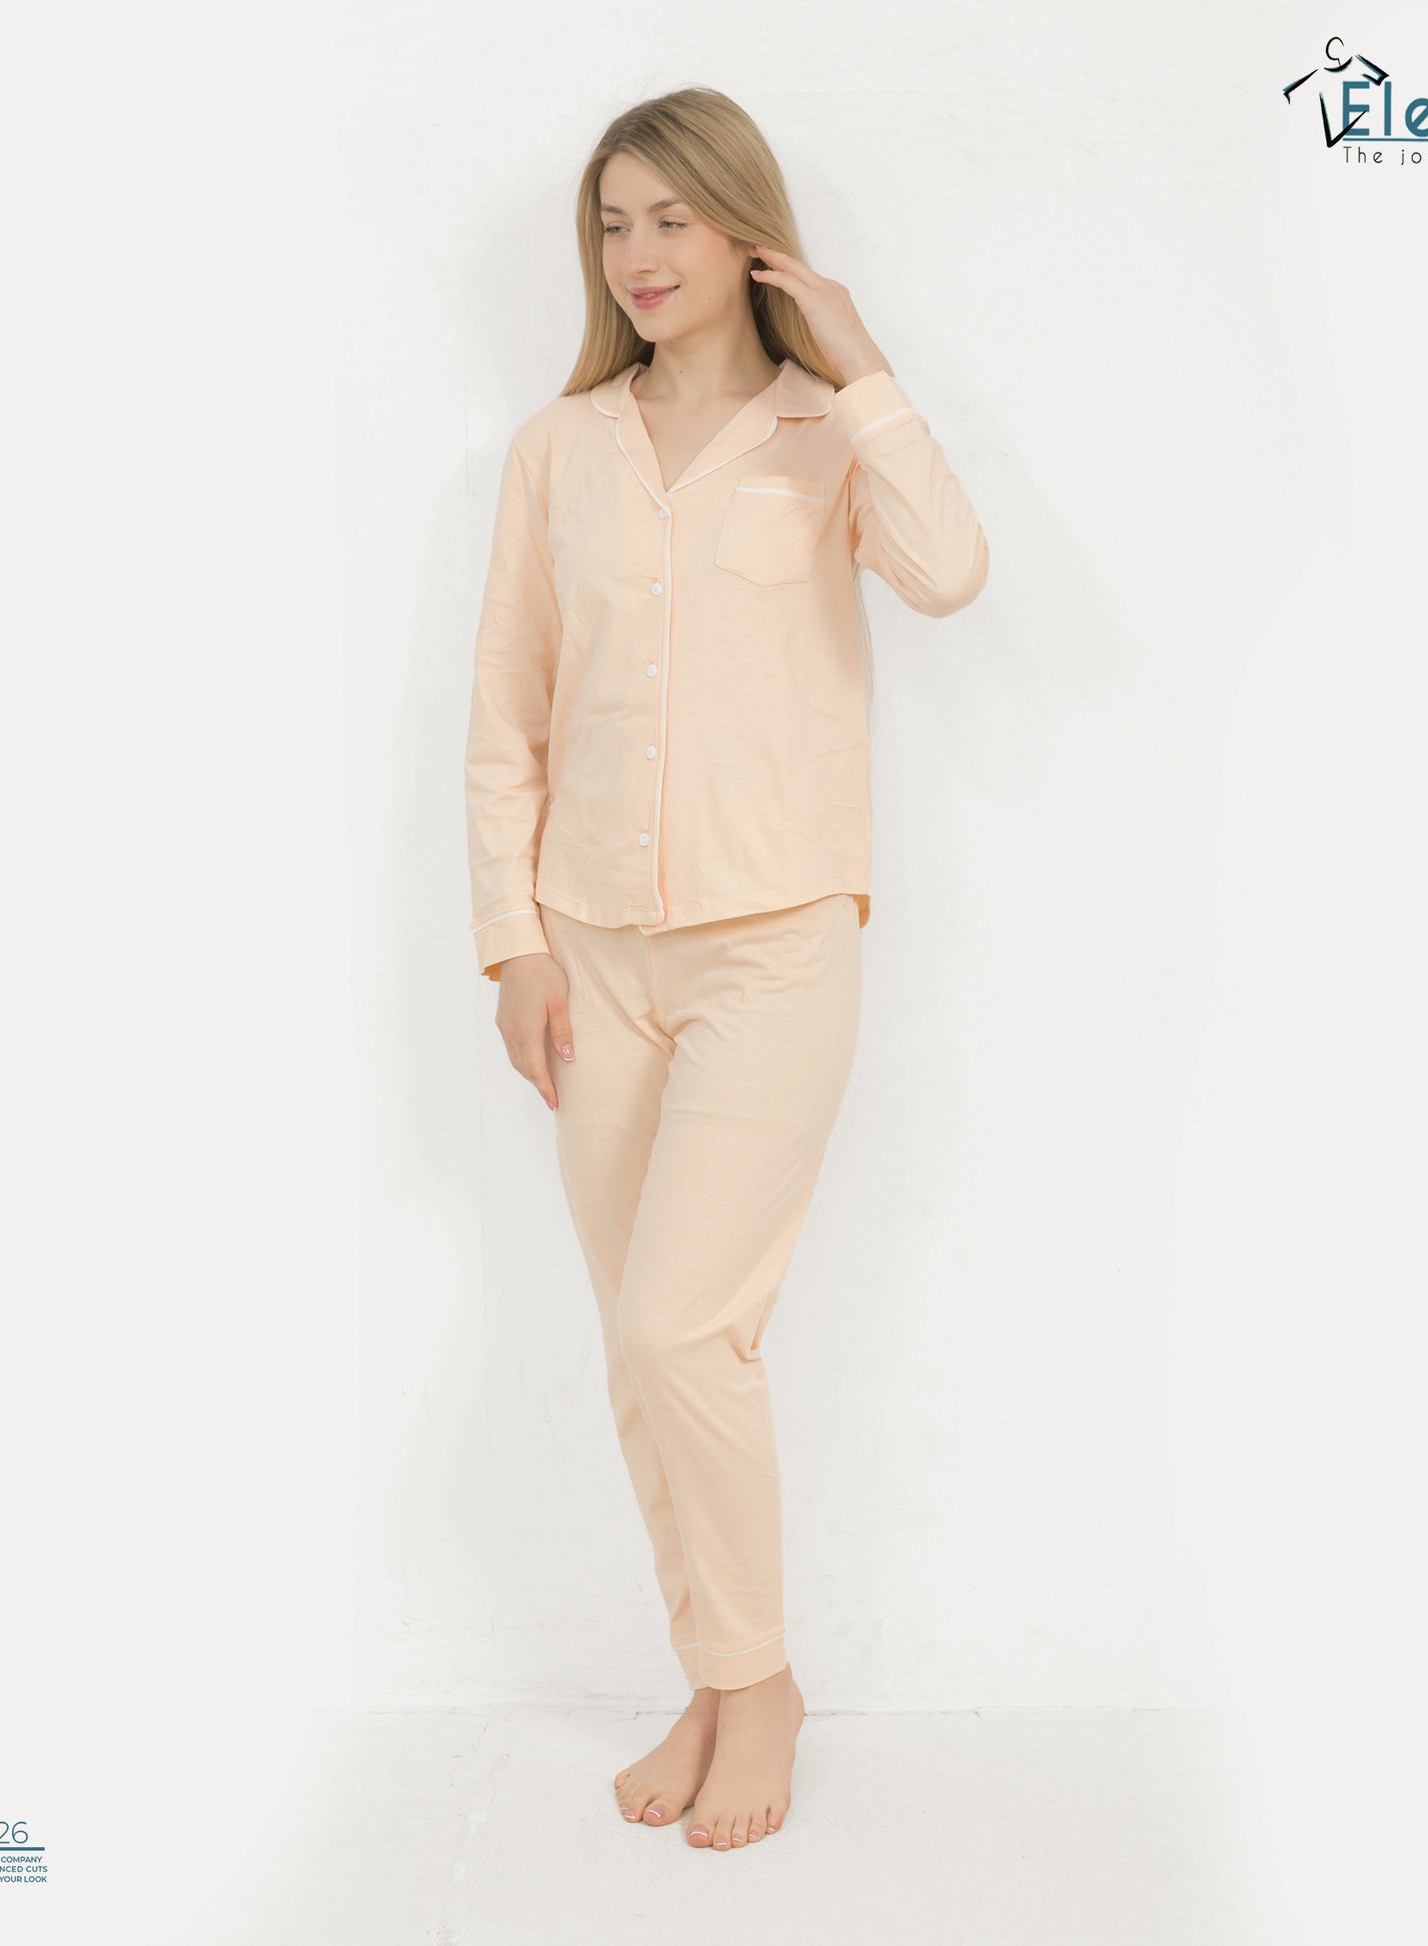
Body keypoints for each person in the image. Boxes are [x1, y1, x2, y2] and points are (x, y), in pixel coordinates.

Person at [462, 86, 989, 1853]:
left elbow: (950, 571)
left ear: (744, 227)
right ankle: (714, 1675)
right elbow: (507, 714)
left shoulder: (828, 432)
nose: (639, 254)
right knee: (645, 1350)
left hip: (774, 944)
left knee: (684, 1321)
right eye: (613, 224)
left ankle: (758, 1681)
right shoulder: (559, 449)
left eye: (672, 217)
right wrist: (511, 943)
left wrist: (860, 356)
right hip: (590, 952)